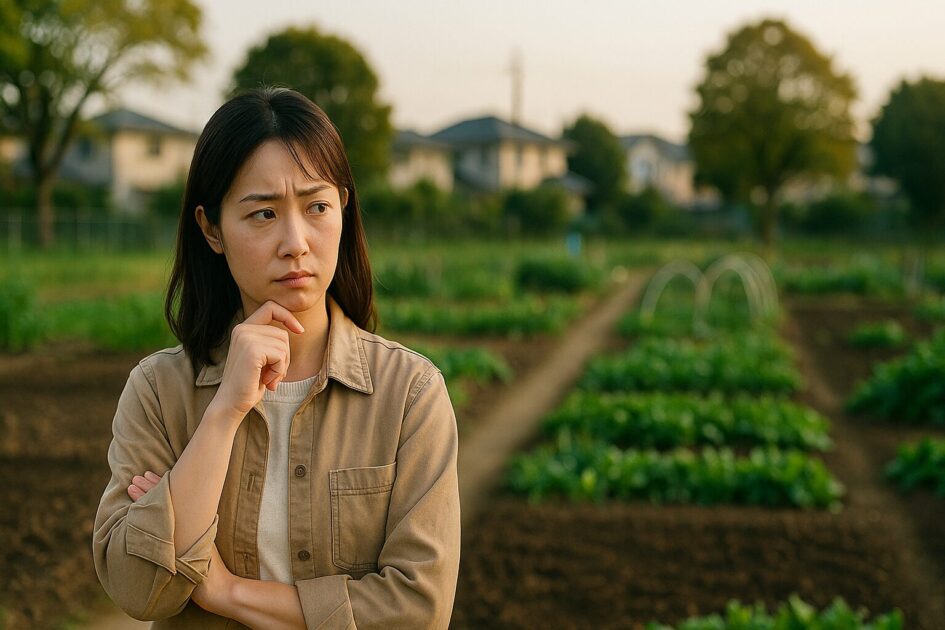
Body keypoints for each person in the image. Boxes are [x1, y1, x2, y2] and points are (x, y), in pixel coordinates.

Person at [91, 87, 461, 629]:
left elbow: (419, 610)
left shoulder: (409, 394)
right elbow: (138, 590)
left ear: (344, 208)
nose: (295, 242)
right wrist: (223, 413)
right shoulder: (159, 391)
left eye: (316, 207)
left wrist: (228, 594)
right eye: (263, 213)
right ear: (211, 228)